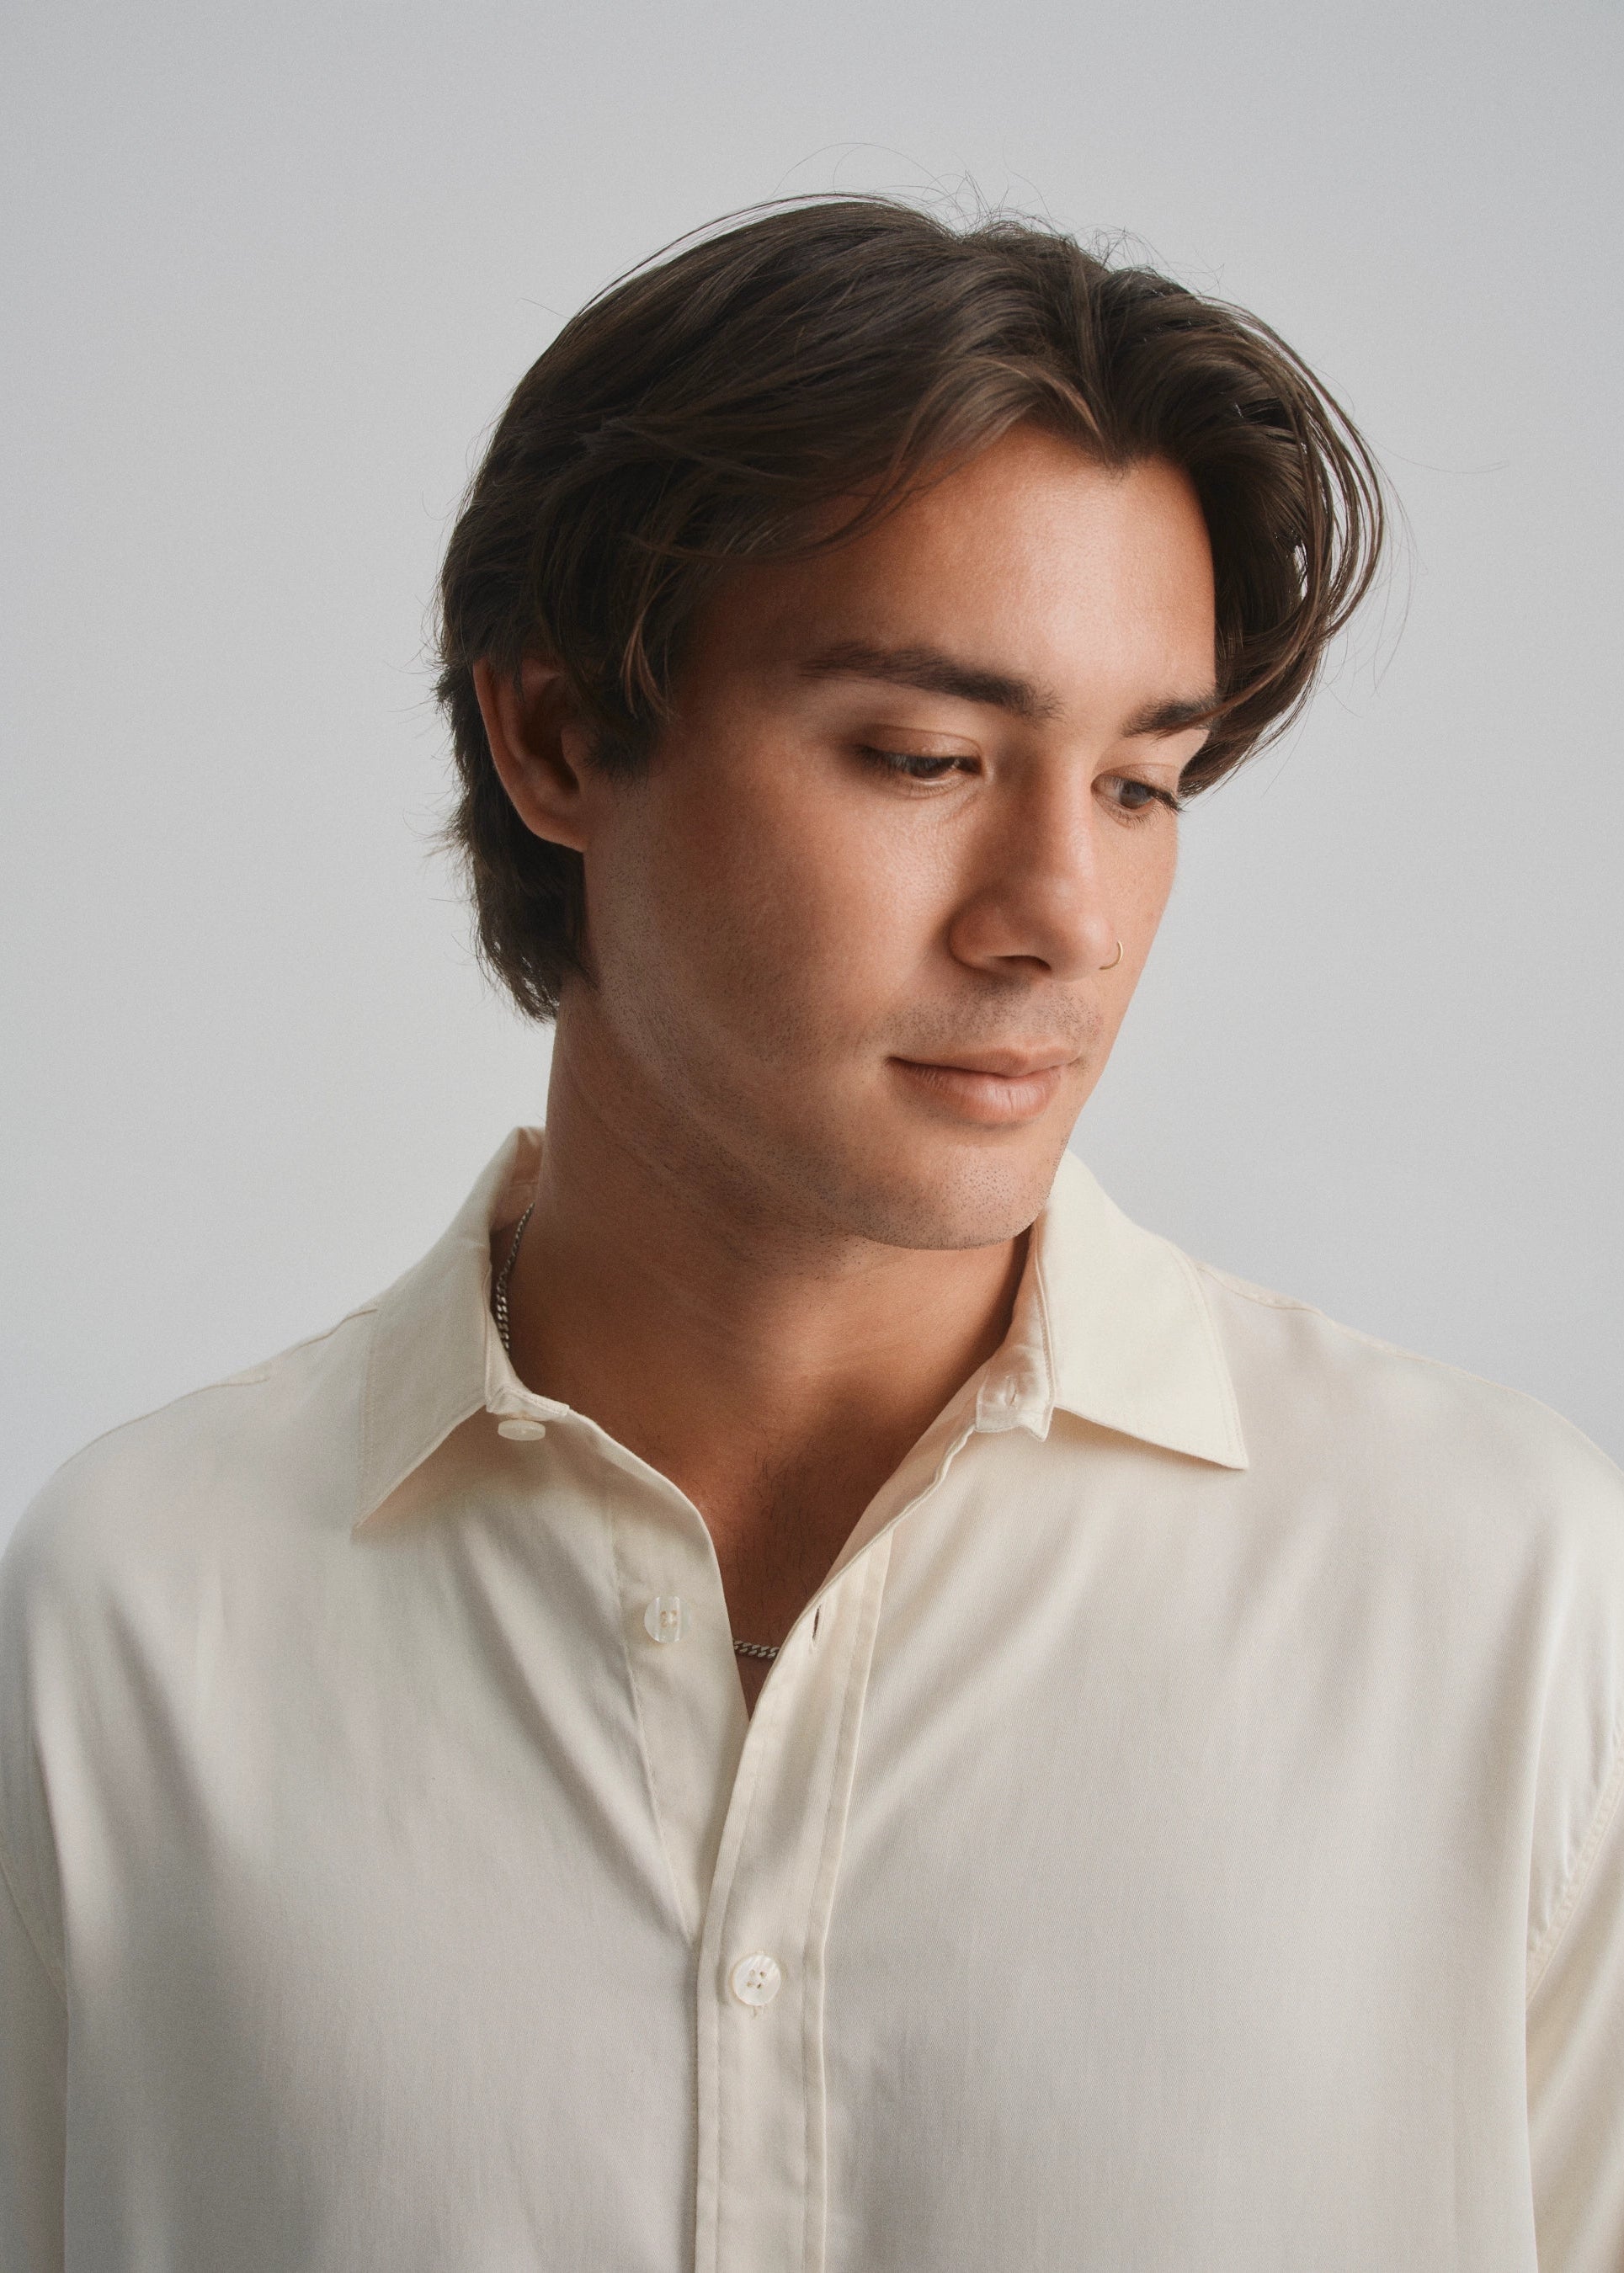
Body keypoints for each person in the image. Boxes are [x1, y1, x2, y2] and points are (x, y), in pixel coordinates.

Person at [2, 197, 1620, 2272]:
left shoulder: (1493, 1602)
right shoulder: (138, 1617)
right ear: (558, 736)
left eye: (1141, 784)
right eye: (924, 757)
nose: (1062, 917)